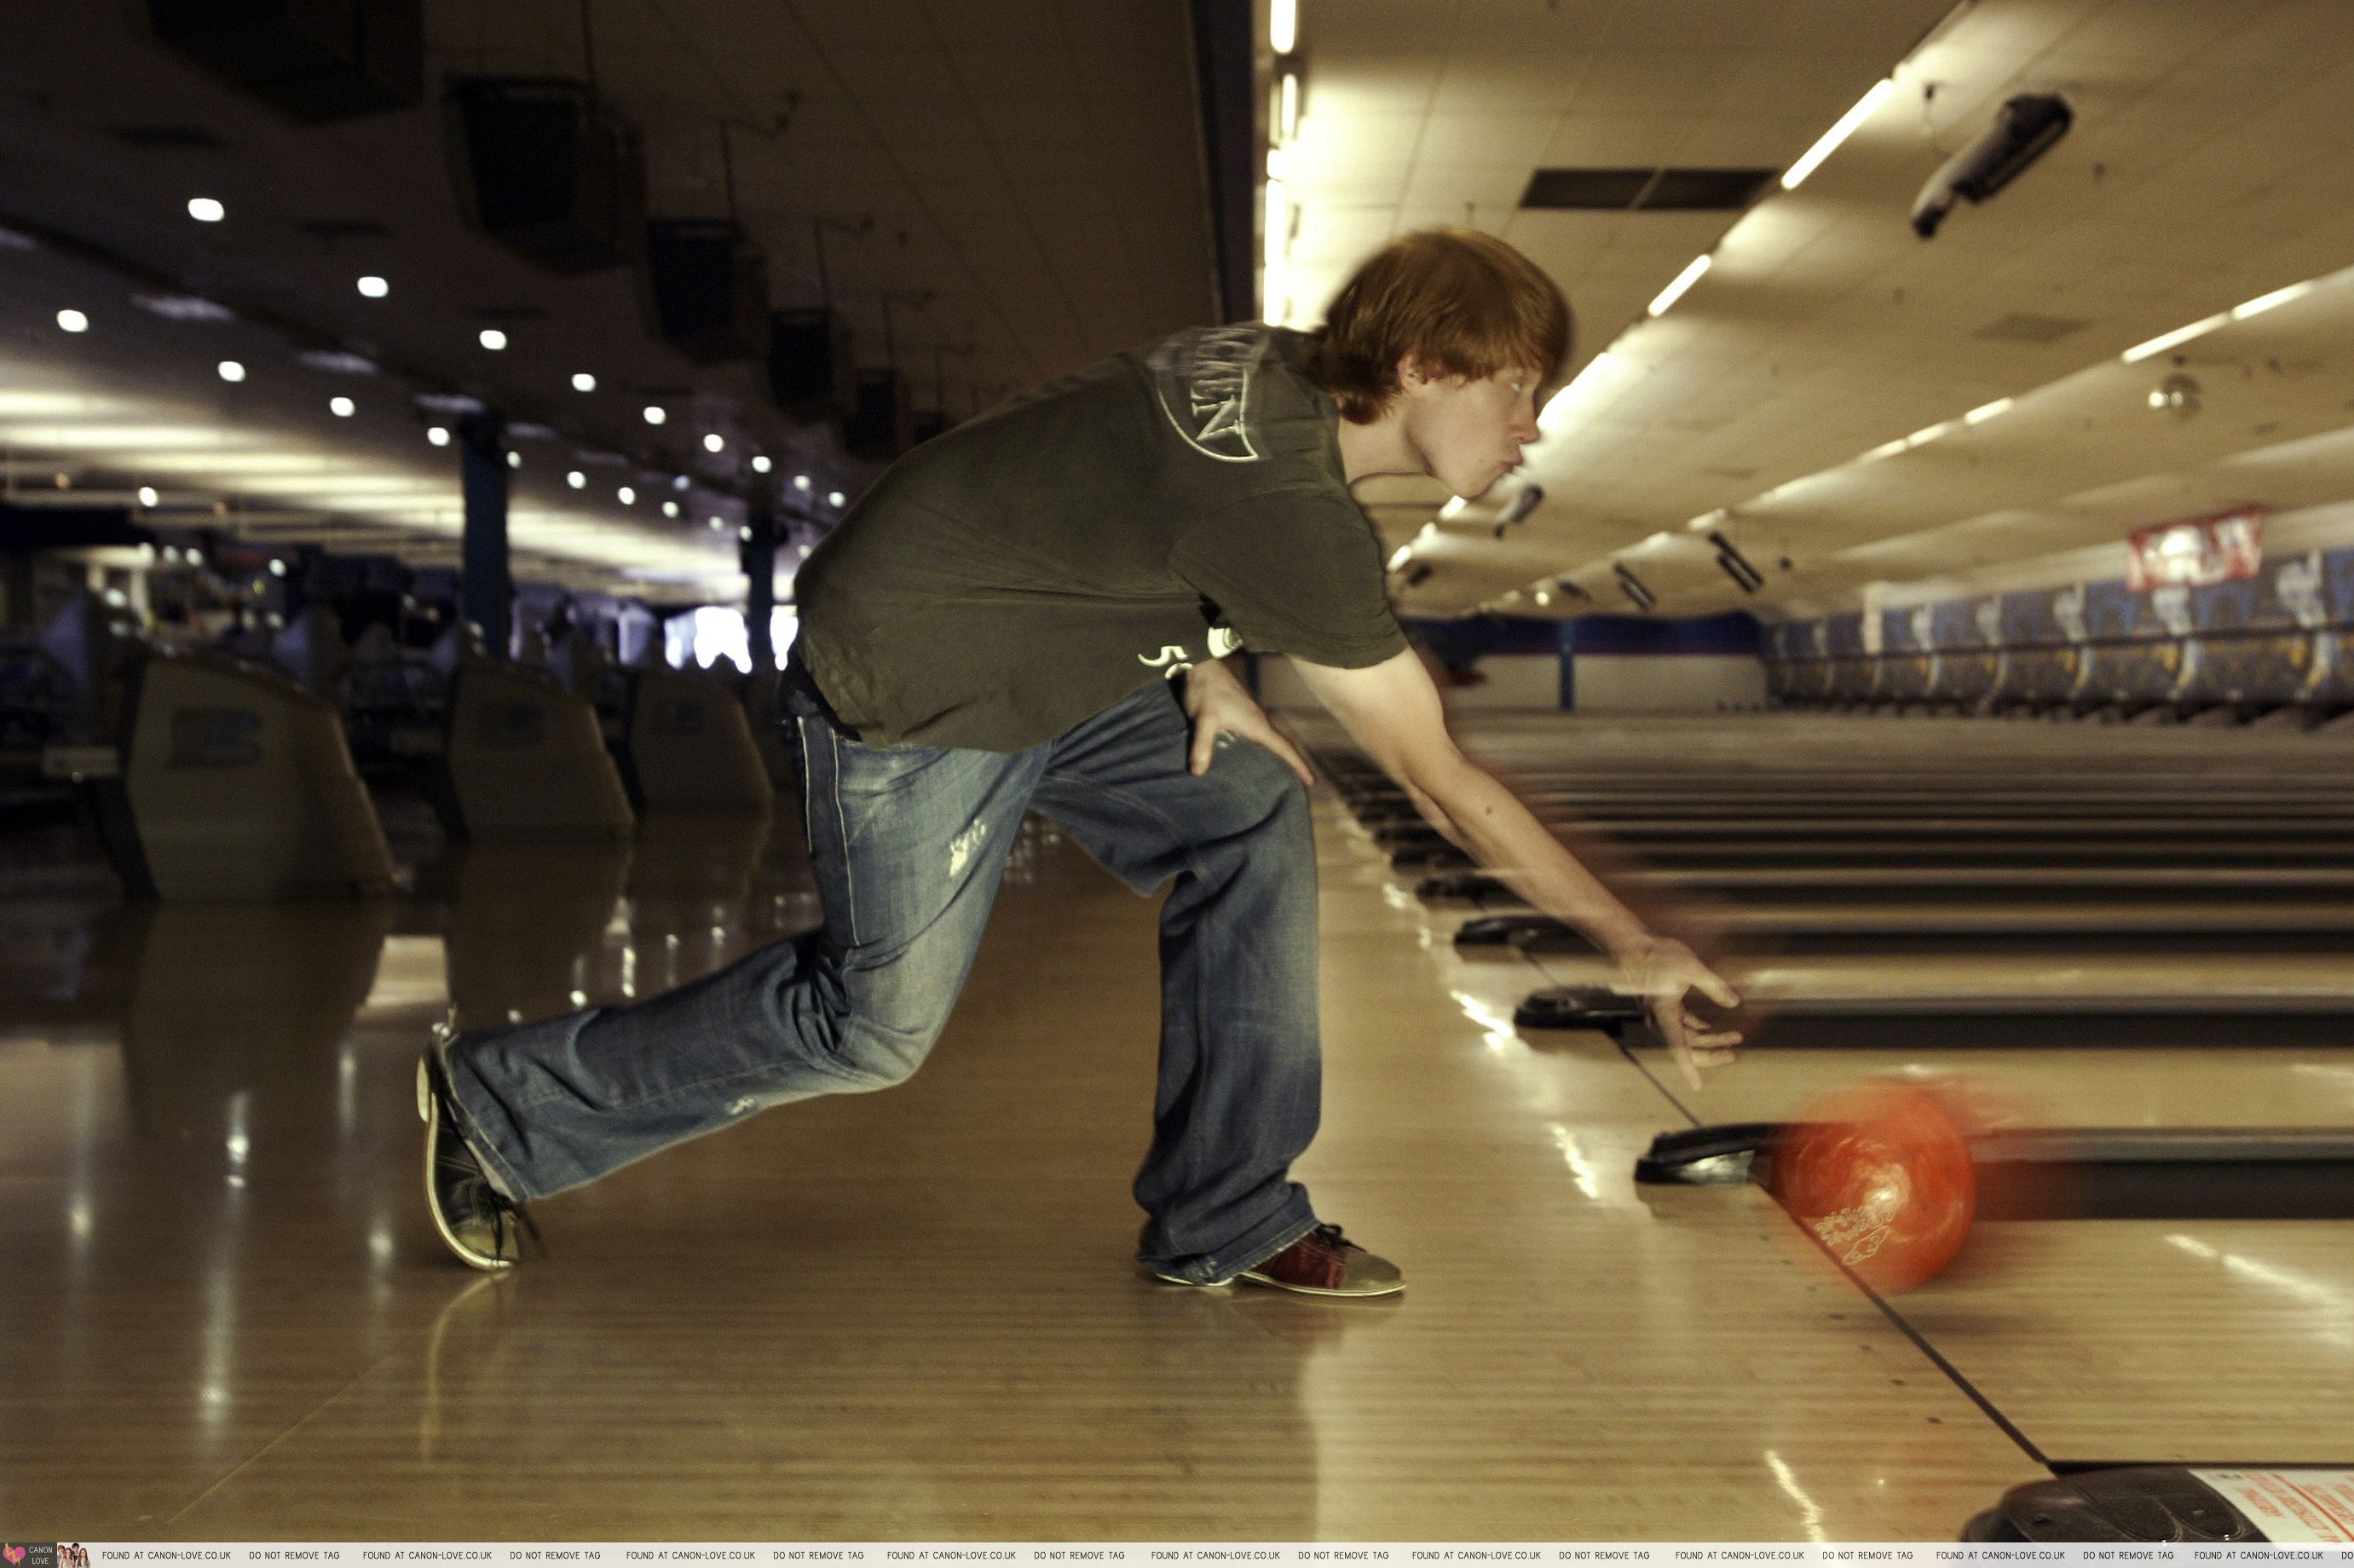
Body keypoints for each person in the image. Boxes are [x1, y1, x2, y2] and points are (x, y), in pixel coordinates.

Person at [418, 228, 1742, 1297]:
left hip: (1036, 654)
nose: (1531, 423)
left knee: (1252, 803)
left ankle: (1225, 1213)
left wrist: (1205, 663)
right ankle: (501, 1102)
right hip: (919, 680)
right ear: (1424, 364)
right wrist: (1631, 941)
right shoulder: (1290, 509)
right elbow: (1446, 785)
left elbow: (1119, 496)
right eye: (1519, 386)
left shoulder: (1272, 370)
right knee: (872, 1029)